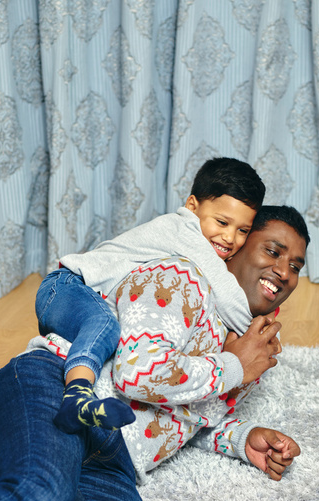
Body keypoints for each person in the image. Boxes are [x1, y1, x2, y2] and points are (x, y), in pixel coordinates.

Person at [0, 206, 309, 501]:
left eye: (295, 265)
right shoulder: (178, 278)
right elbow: (137, 375)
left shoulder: (250, 346)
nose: (284, 272)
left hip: (112, 461)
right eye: (273, 252)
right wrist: (233, 367)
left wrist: (243, 438)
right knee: (41, 499)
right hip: (57, 393)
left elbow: (187, 415)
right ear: (234, 248)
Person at [36, 158, 265, 433]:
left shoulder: (199, 237)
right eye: (222, 222)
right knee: (105, 328)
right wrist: (256, 334)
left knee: (108, 342)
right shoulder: (183, 229)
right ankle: (76, 399)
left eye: (243, 231)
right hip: (68, 285)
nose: (230, 238)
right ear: (192, 207)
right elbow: (225, 291)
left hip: (84, 298)